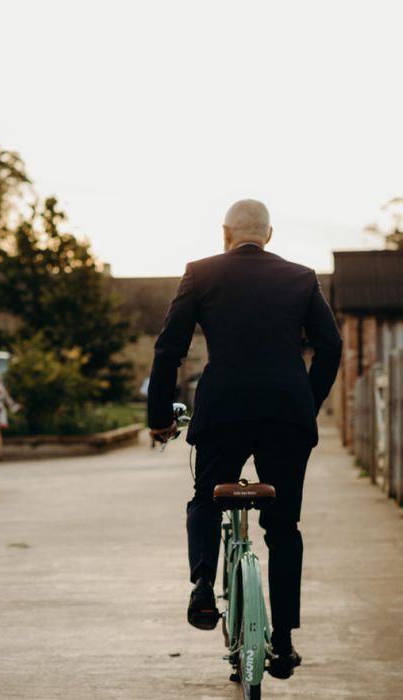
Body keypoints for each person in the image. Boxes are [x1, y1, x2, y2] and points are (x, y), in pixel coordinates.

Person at [147, 199, 342, 680]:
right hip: (285, 416)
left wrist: (158, 418)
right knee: (283, 526)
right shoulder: (301, 277)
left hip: (224, 411)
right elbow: (331, 345)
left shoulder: (200, 273)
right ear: (269, 235)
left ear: (225, 233)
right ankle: (283, 643)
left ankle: (201, 589)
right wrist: (306, 403)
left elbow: (169, 348)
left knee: (205, 499)